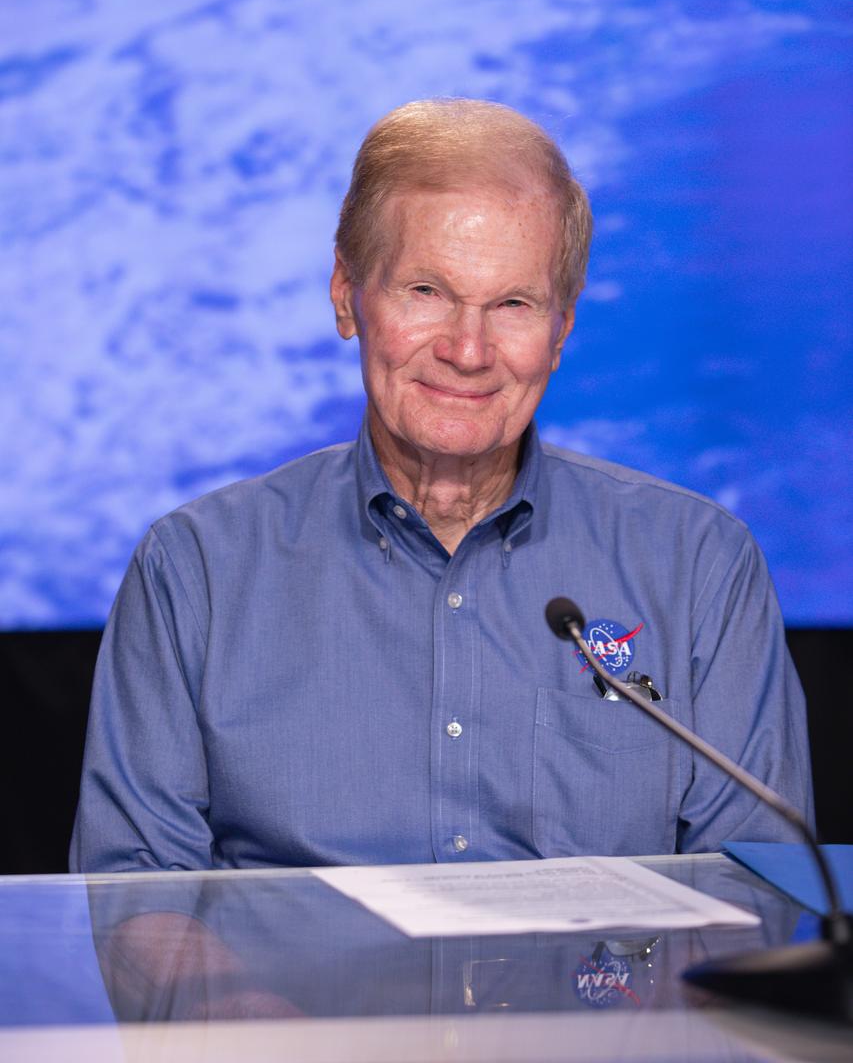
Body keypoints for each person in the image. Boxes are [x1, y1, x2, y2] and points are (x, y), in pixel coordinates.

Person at [70, 98, 812, 873]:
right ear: (344, 294)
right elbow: (135, 899)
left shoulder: (698, 566)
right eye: (425, 292)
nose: (467, 349)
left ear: (560, 331)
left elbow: (759, 891)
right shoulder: (195, 572)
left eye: (514, 305)